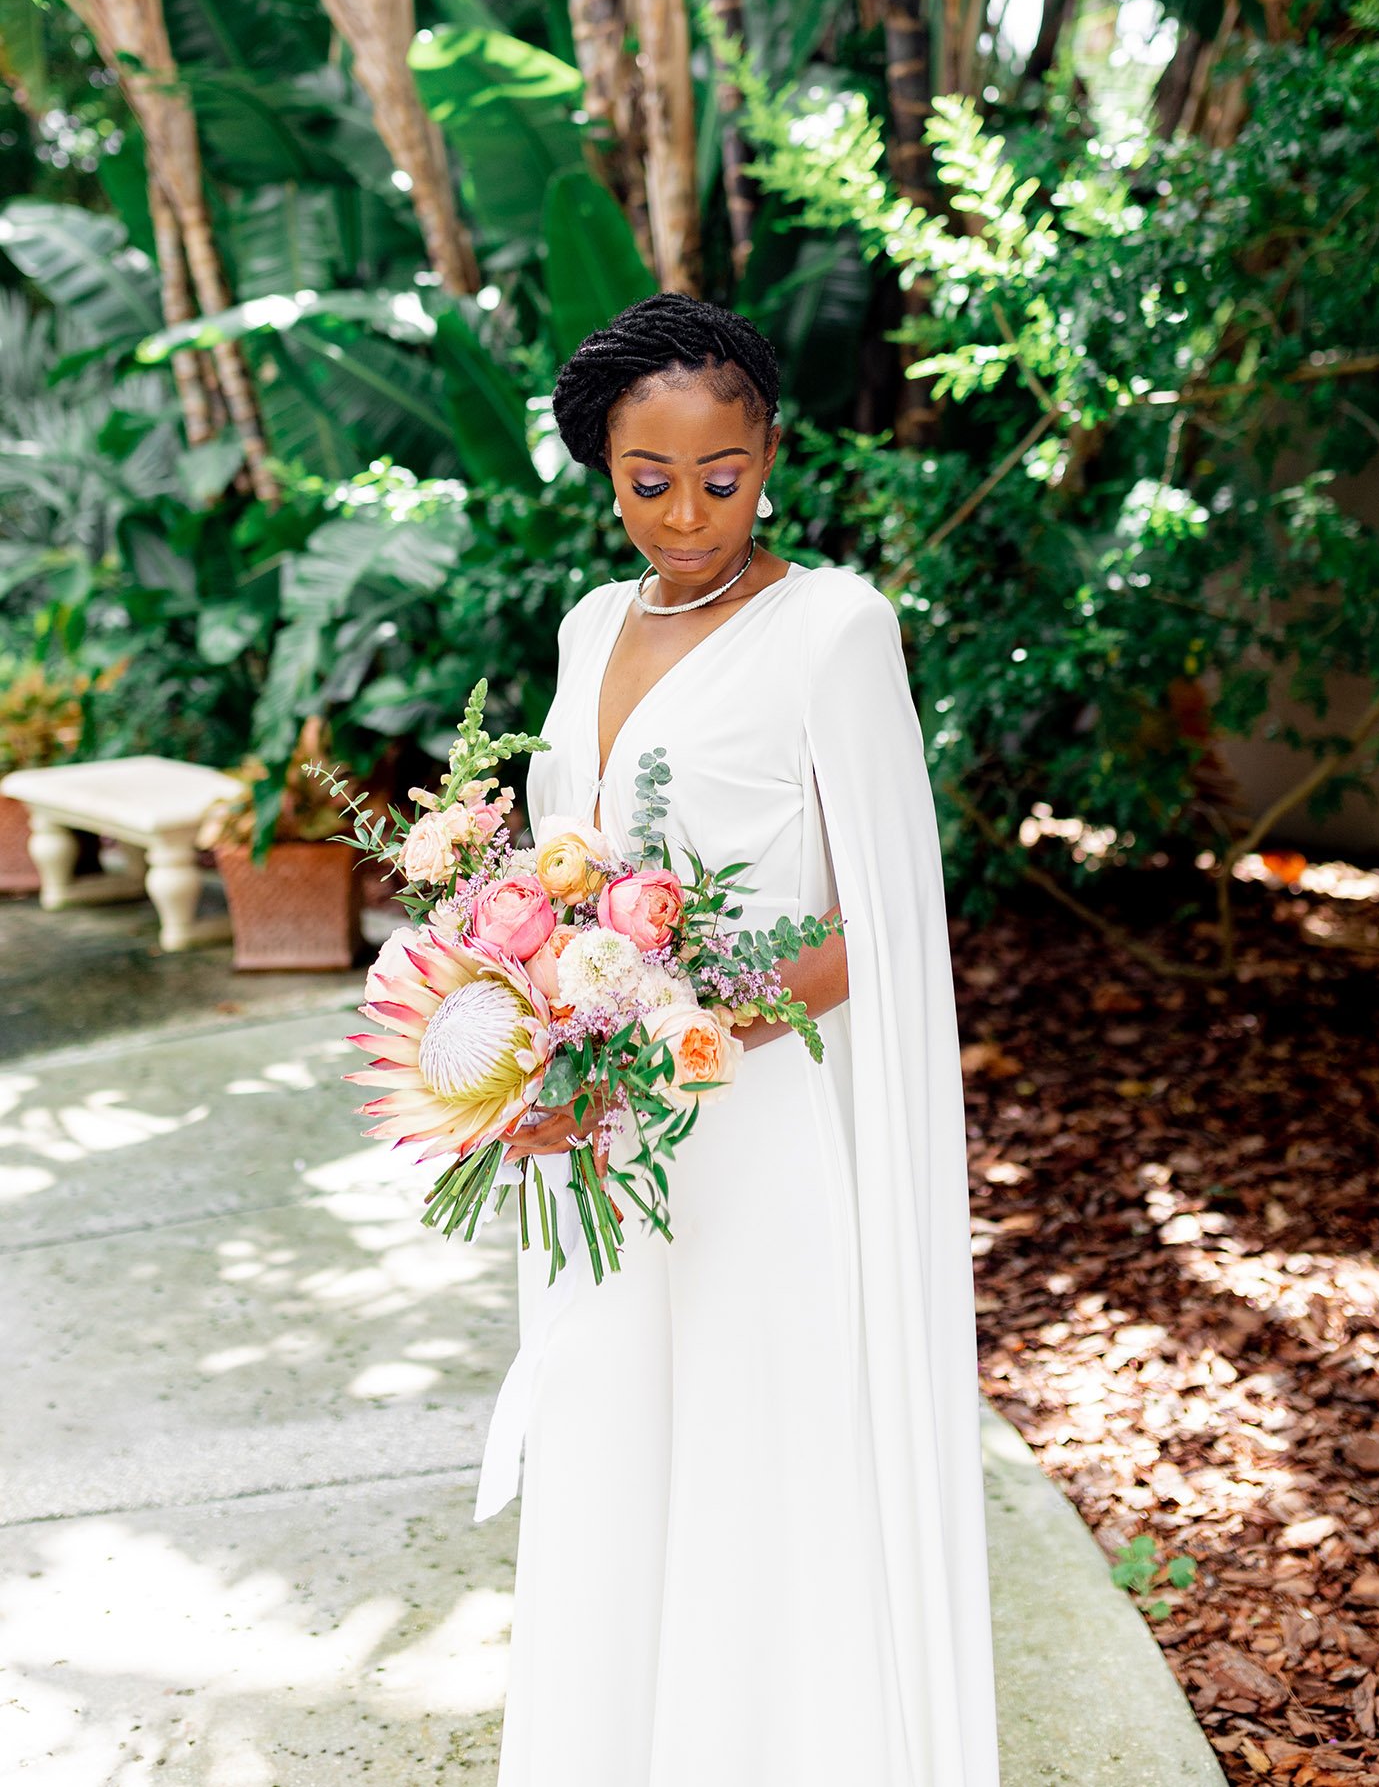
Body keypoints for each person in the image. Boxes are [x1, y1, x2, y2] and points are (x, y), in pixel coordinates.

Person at [485, 292, 1000, 1787]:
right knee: (621, 1449)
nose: (690, 513)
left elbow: (880, 926)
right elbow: (550, 872)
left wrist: (676, 1033)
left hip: (759, 1135)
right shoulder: (590, 629)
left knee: (760, 1470)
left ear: (770, 453)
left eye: (725, 475)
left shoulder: (834, 627)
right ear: (604, 471)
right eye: (651, 482)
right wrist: (535, 1055)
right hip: (609, 1143)